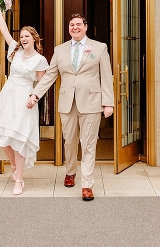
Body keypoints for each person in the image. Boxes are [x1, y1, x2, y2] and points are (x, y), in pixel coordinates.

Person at [27, 13, 114, 201]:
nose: (75, 27)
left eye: (78, 24)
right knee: (70, 141)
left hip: (91, 102)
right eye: (72, 25)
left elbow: (106, 76)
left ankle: (87, 185)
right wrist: (35, 94)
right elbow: (50, 75)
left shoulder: (99, 48)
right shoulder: (60, 50)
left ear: (86, 26)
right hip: (67, 102)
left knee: (88, 143)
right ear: (69, 28)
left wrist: (108, 103)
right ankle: (71, 171)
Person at [0, 4, 48, 196]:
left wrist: (34, 98)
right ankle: (13, 165)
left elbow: (42, 84)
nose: (23, 39)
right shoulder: (15, 51)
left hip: (25, 100)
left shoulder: (40, 60)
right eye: (21, 36)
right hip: (8, 97)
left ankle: (19, 180)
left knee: (19, 139)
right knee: (2, 139)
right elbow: (3, 30)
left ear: (34, 39)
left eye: (26, 36)